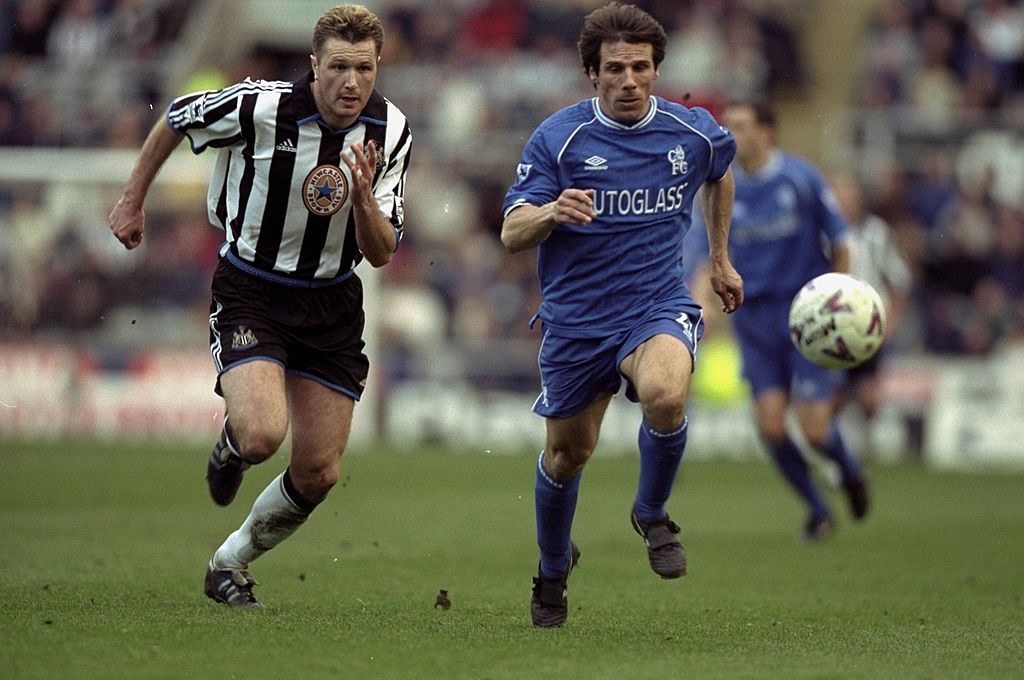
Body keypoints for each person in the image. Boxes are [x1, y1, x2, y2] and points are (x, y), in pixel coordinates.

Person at [108, 4, 412, 608]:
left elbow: (381, 254)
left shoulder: (392, 131)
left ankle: (229, 563)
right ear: (313, 65)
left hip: (332, 302)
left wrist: (363, 203)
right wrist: (131, 200)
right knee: (263, 434)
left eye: (365, 68)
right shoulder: (259, 106)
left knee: (320, 473)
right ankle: (234, 443)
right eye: (339, 67)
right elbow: (174, 119)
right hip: (253, 288)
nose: (352, 82)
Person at [501, 2, 743, 628]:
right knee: (566, 456)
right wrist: (553, 211)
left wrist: (718, 257)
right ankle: (553, 569)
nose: (629, 80)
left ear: (657, 70)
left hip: (655, 305)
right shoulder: (560, 138)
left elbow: (722, 170)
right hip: (577, 323)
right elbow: (511, 230)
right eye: (615, 68)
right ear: (592, 73)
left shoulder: (690, 132)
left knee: (667, 393)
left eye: (640, 67)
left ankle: (651, 512)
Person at [715, 100, 868, 542]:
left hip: (805, 317)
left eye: (741, 126)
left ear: (767, 132)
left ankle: (850, 470)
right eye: (728, 127)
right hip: (753, 319)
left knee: (816, 429)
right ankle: (819, 510)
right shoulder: (722, 186)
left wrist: (837, 294)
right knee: (770, 427)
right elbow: (708, 254)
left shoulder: (801, 179)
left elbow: (841, 240)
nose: (732, 135)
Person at [831, 172, 912, 458]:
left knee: (868, 399)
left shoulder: (876, 233)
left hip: (868, 326)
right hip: (833, 328)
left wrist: (892, 322)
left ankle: (862, 449)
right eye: (839, 198)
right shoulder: (823, 234)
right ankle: (835, 454)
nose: (844, 204)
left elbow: (900, 280)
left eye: (849, 197)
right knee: (833, 396)